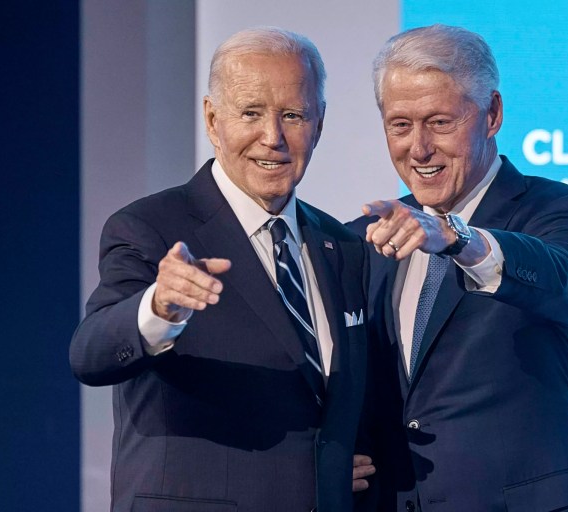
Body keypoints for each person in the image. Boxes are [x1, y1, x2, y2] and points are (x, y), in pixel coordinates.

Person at [70, 27, 375, 512]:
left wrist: (331, 467)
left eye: (292, 115)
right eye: (250, 113)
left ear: (318, 124)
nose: (272, 138)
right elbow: (91, 353)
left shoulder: (341, 245)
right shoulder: (150, 226)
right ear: (213, 120)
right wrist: (158, 307)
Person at [351, 24, 568, 511]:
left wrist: (458, 238)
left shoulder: (562, 211)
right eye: (400, 125)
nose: (419, 148)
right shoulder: (368, 235)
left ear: (491, 114)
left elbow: (566, 282)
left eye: (440, 123)